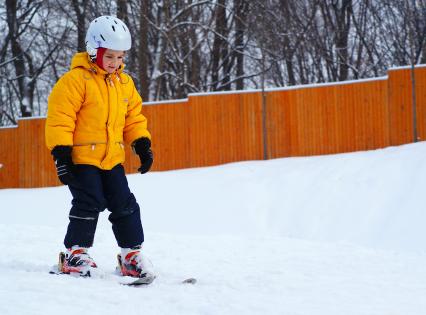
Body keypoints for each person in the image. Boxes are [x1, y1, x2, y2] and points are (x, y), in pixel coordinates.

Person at [45, 16, 154, 279]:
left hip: (111, 158)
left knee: (125, 203)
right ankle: (76, 253)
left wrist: (141, 144)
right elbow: (60, 118)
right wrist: (61, 154)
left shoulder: (124, 83)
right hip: (82, 158)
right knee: (88, 201)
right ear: (94, 51)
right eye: (110, 56)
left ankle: (130, 255)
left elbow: (133, 118)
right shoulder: (75, 81)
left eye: (120, 57)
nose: (116, 63)